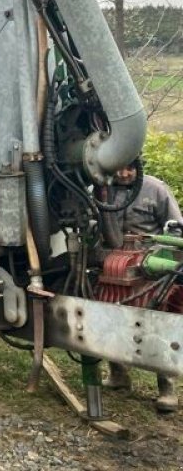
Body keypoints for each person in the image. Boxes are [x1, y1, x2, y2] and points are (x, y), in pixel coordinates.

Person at [103, 162, 183, 413]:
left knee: (159, 325)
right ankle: (118, 374)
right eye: (119, 168)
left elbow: (176, 228)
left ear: (139, 165)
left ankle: (166, 388)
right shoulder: (102, 190)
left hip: (152, 269)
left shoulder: (156, 189)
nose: (124, 174)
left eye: (130, 169)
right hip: (114, 266)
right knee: (110, 317)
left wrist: (163, 260)